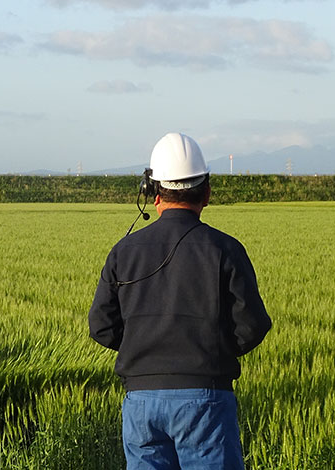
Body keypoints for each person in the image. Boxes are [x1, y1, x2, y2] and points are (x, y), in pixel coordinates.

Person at [88, 132, 272, 470]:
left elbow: (101, 326)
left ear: (152, 192)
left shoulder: (123, 252)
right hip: (205, 399)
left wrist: (144, 349)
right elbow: (253, 325)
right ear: (207, 192)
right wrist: (211, 351)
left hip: (141, 402)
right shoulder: (225, 249)